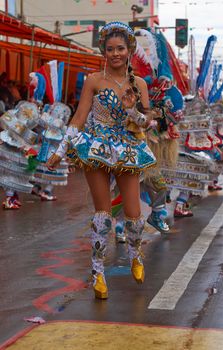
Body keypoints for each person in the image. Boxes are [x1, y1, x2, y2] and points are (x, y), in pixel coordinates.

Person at [46, 22, 156, 300]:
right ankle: (98, 272)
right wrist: (60, 150)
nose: (115, 54)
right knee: (102, 215)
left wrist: (132, 110)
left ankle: (134, 254)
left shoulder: (139, 84)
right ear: (104, 51)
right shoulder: (94, 80)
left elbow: (147, 123)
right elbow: (79, 117)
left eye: (120, 48)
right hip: (96, 147)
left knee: (134, 217)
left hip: (128, 147)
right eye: (110, 49)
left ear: (130, 50)